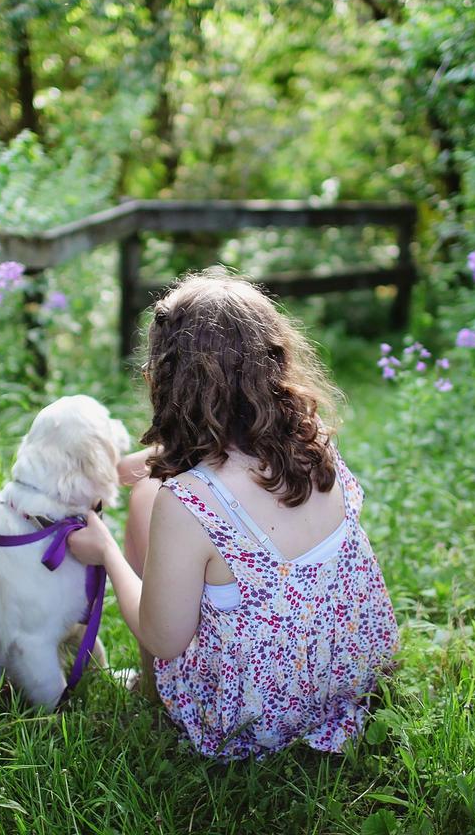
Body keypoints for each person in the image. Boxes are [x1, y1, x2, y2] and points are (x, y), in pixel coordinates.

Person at [66, 272, 398, 760]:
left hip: (251, 715)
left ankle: (152, 692)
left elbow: (165, 638)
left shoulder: (185, 502)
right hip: (350, 675)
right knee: (149, 487)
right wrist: (127, 466)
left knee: (144, 499)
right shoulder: (315, 442)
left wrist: (108, 554)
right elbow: (219, 464)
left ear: (164, 381)